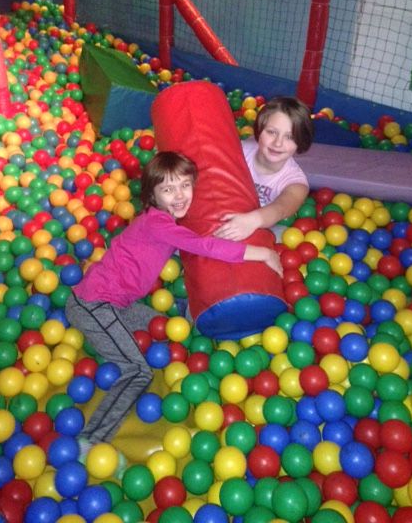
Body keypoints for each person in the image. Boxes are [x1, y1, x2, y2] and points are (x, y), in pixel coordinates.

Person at [65, 151, 282, 451]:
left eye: (185, 185)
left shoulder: (161, 222)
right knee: (138, 371)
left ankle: (181, 314)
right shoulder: (158, 224)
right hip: (93, 305)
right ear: (152, 196)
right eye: (168, 189)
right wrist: (264, 253)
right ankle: (90, 440)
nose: (179, 196)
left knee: (165, 327)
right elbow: (204, 246)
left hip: (117, 305)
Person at [214, 96, 313, 242]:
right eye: (272, 132)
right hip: (222, 214)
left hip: (260, 226)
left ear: (300, 143)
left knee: (282, 236)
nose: (278, 143)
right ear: (259, 130)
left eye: (290, 137)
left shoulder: (296, 183)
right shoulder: (237, 152)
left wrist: (253, 220)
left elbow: (281, 207)